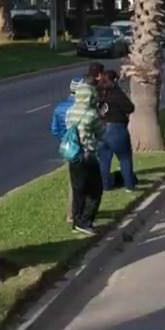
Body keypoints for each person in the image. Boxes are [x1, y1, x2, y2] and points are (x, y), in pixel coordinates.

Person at [65, 79, 105, 236]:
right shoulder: (91, 114)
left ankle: (76, 221)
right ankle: (86, 221)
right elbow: (101, 133)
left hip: (73, 155)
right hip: (88, 155)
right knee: (95, 190)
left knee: (78, 190)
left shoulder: (70, 111)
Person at [50, 76, 85, 224]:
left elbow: (54, 129)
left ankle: (73, 212)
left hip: (68, 148)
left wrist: (65, 139)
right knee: (83, 182)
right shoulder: (82, 108)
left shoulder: (59, 107)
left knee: (73, 180)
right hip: (82, 147)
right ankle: (76, 213)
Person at [96, 70, 137, 191]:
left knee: (104, 160)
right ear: (114, 80)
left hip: (101, 128)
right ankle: (129, 185)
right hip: (117, 129)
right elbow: (130, 107)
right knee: (125, 158)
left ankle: (105, 185)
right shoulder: (116, 92)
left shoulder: (98, 93)